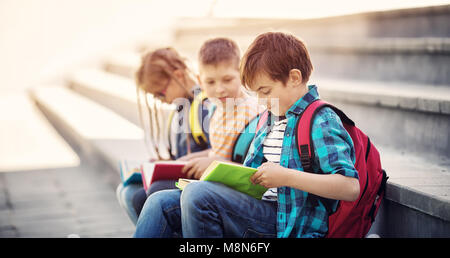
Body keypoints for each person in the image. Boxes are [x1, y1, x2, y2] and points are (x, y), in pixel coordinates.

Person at [135, 32, 361, 238]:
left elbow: (350, 187)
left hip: (288, 223)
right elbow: (251, 173)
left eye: (265, 91)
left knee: (197, 194)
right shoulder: (271, 116)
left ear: (294, 78)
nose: (262, 101)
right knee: (159, 201)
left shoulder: (320, 120)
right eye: (257, 94)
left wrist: (286, 177)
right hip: (258, 206)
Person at [134, 37, 261, 237]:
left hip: (230, 193)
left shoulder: (254, 113)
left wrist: (214, 161)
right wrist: (193, 159)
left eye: (227, 80)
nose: (219, 88)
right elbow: (218, 150)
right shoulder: (217, 110)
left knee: (157, 195)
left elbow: (248, 164)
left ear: (241, 74)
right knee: (146, 196)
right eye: (211, 82)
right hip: (212, 183)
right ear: (201, 81)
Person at [116, 47, 212, 225]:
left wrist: (185, 160)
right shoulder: (181, 107)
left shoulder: (204, 106)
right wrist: (163, 162)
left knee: (148, 194)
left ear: (178, 75)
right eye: (154, 96)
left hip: (202, 180)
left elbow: (220, 151)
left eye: (160, 93)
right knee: (128, 191)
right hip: (185, 175)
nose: (159, 99)